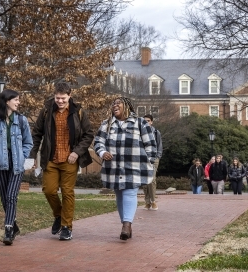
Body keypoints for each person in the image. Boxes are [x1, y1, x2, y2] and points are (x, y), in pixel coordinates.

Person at [30, 82, 94, 241]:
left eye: (63, 98)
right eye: (57, 98)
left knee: (67, 192)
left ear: (69, 96)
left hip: (70, 160)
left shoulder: (78, 112)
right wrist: (32, 156)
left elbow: (88, 135)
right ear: (54, 95)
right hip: (50, 158)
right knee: (49, 190)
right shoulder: (46, 111)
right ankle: (59, 216)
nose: (60, 101)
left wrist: (77, 152)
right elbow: (36, 134)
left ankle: (66, 227)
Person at [94, 97, 157, 241]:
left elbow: (151, 145)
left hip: (134, 166)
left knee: (129, 192)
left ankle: (127, 225)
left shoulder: (140, 123)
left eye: (118, 103)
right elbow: (98, 141)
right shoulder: (107, 124)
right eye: (113, 104)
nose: (115, 106)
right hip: (114, 167)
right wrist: (102, 152)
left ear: (127, 106)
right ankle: (125, 224)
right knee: (120, 194)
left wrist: (148, 162)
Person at [0, 89, 33, 245]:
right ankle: (14, 225)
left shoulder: (22, 121)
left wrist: (23, 156)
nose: (18, 102)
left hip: (17, 164)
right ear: (6, 101)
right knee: (5, 198)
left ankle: (8, 229)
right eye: (15, 100)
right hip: (0, 164)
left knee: (11, 196)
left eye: (18, 100)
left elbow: (28, 142)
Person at [142, 114, 163, 210]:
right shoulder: (140, 132)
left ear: (151, 122)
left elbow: (160, 145)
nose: (146, 122)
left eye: (148, 120)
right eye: (144, 120)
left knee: (152, 179)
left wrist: (158, 156)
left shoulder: (156, 132)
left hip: (154, 159)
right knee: (145, 181)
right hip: (143, 159)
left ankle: (153, 201)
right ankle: (147, 202)